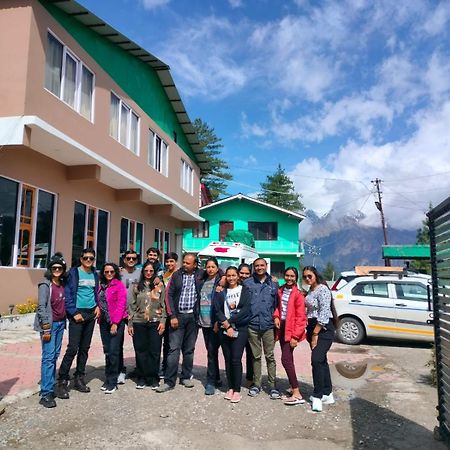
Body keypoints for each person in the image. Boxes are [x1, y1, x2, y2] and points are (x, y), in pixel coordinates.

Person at [156, 253, 203, 393]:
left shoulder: (201, 274)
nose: (185, 265)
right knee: (173, 349)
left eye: (188, 263)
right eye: (184, 262)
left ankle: (185, 376)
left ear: (195, 264)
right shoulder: (177, 275)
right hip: (178, 317)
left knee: (189, 350)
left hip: (193, 319)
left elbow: (216, 271)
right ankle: (169, 381)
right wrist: (172, 315)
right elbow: (169, 295)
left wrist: (224, 277)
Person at [57, 248, 100, 398]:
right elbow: (68, 294)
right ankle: (62, 380)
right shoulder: (73, 273)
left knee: (84, 348)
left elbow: (96, 292)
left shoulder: (95, 273)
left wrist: (97, 307)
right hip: (77, 313)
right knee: (73, 348)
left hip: (90, 314)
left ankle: (79, 378)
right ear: (81, 259)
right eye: (86, 258)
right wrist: (74, 312)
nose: (89, 260)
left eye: (91, 258)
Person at [242, 258, 280, 399]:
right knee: (255, 356)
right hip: (252, 325)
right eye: (257, 266)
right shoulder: (247, 283)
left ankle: (272, 385)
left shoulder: (274, 283)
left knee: (270, 356)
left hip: (268, 325)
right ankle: (256, 384)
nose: (259, 268)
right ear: (254, 267)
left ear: (266, 266)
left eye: (262, 265)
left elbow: (278, 304)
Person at [34, 253, 68, 408]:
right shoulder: (45, 284)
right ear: (50, 269)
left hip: (61, 324)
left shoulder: (62, 284)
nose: (57, 270)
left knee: (54, 356)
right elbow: (41, 308)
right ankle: (45, 393)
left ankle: (50, 386)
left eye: (59, 268)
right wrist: (46, 329)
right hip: (50, 326)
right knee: (48, 358)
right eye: (54, 267)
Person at [214, 266, 251, 403]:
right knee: (228, 359)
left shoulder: (244, 290)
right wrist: (226, 324)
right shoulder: (221, 291)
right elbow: (217, 309)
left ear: (238, 276)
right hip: (225, 329)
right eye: (228, 275)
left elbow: (246, 309)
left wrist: (229, 322)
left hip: (240, 329)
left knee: (236, 359)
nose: (231, 278)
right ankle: (230, 387)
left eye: (233, 275)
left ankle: (237, 390)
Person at [127, 261, 166, 389]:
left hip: (155, 321)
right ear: (142, 272)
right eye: (146, 271)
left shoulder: (159, 286)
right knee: (141, 350)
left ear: (154, 272)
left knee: (154, 351)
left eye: (151, 271)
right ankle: (142, 377)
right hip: (139, 322)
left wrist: (163, 321)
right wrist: (130, 323)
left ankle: (153, 378)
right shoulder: (136, 287)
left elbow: (164, 305)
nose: (148, 273)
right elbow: (131, 306)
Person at [303, 266, 335, 412]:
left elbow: (324, 313)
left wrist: (315, 334)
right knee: (321, 360)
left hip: (323, 329)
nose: (307, 279)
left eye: (310, 276)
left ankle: (317, 396)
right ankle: (327, 393)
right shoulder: (311, 290)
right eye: (305, 277)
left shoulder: (323, 289)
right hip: (311, 327)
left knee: (316, 359)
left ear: (315, 275)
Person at [274, 267, 307, 405]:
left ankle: (297, 393)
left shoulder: (298, 294)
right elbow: (277, 307)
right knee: (289, 359)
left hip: (291, 330)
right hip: (280, 328)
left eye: (292, 276)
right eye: (287, 275)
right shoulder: (280, 290)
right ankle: (293, 388)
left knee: (286, 360)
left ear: (296, 278)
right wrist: (276, 316)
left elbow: (301, 317)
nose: (289, 278)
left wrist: (295, 336)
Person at [97, 262, 128, 394]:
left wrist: (115, 322)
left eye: (111, 272)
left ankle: (113, 382)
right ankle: (108, 377)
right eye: (106, 272)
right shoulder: (101, 286)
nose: (109, 274)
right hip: (103, 321)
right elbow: (99, 301)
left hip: (116, 322)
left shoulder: (119, 285)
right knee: (107, 351)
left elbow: (121, 305)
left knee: (114, 351)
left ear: (115, 272)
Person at [198, 257, 223, 395]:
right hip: (204, 322)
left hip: (216, 323)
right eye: (208, 267)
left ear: (217, 268)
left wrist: (217, 321)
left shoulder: (220, 281)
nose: (210, 269)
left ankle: (211, 381)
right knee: (211, 352)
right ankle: (215, 378)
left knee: (215, 352)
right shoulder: (202, 281)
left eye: (213, 267)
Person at [118, 249, 142, 384]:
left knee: (139, 343)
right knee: (117, 343)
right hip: (121, 313)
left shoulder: (141, 273)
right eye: (128, 258)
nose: (131, 260)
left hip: (137, 313)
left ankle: (140, 369)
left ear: (137, 260)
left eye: (133, 258)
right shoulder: (118, 273)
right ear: (124, 259)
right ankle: (120, 369)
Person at [160, 252, 178, 378]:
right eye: (167, 261)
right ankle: (165, 366)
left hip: (175, 312)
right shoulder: (162, 275)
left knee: (174, 343)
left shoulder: (179, 274)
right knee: (165, 342)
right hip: (163, 313)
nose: (169, 264)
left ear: (176, 262)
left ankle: (172, 368)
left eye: (172, 261)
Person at [238, 263, 254, 388]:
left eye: (247, 273)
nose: (244, 276)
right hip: (236, 324)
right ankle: (235, 377)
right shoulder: (232, 284)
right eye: (242, 273)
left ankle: (250, 378)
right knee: (236, 353)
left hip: (251, 324)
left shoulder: (253, 284)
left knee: (251, 353)